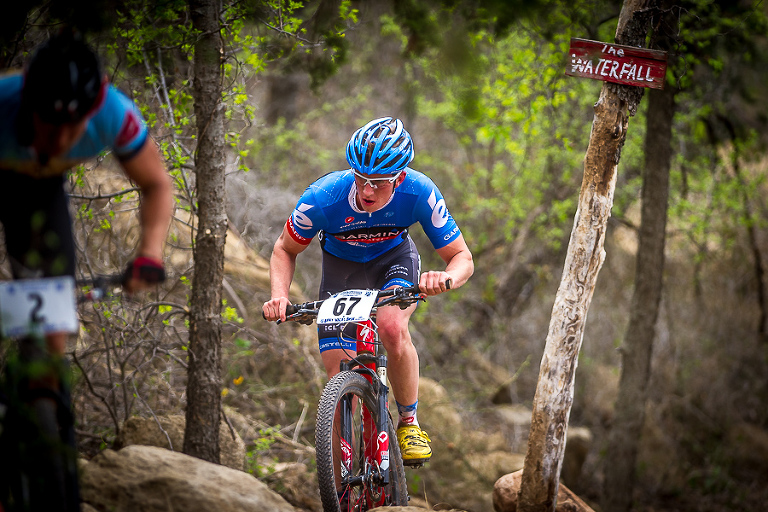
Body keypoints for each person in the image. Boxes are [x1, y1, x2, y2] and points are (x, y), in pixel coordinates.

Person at [0, 30, 172, 511]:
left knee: (52, 338)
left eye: (72, 128)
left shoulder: (114, 115)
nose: (58, 138)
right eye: (48, 122)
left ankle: (56, 465)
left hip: (40, 194)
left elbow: (157, 185)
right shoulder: (2, 104)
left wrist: (149, 255)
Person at [262, 116, 473, 465]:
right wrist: (279, 295)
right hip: (342, 273)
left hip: (394, 263)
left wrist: (446, 278)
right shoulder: (322, 198)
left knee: (391, 325)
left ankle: (408, 423)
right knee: (337, 378)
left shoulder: (419, 190)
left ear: (400, 177)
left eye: (378, 182)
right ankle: (336, 478)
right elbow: (284, 249)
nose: (366, 191)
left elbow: (462, 257)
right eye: (360, 178)